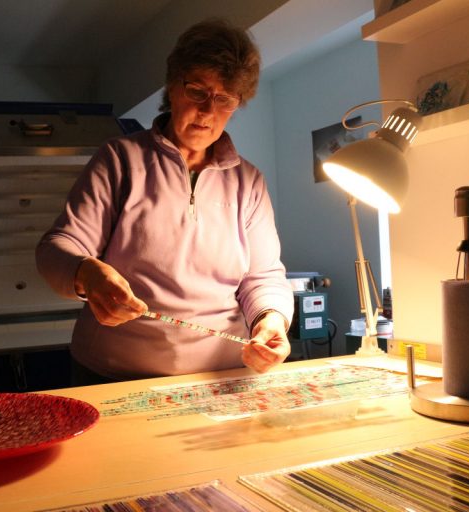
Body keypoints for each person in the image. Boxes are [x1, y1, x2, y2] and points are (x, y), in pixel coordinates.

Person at [36, 18, 293, 385]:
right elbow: (55, 249)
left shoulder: (248, 181)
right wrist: (87, 273)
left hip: (221, 378)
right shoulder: (120, 160)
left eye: (224, 99)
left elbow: (263, 276)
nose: (207, 110)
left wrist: (271, 319)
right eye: (197, 91)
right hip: (116, 375)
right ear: (173, 87)